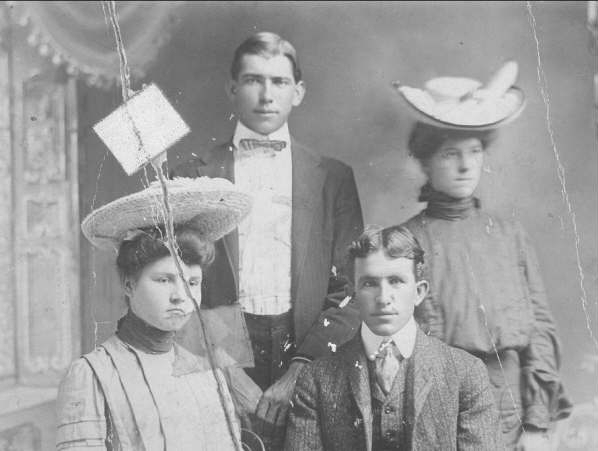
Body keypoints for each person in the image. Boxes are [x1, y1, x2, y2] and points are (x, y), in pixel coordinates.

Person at [170, 31, 363, 447]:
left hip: (309, 349)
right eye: (253, 80)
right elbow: (176, 283)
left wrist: (301, 369)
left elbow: (350, 289)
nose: (266, 94)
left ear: (299, 91)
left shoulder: (333, 178)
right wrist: (224, 369)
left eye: (279, 81)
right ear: (232, 88)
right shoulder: (192, 174)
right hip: (217, 354)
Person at [395, 68, 573, 449]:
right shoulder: (406, 241)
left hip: (512, 415)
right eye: (450, 154)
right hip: (438, 413)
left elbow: (540, 331)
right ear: (426, 162)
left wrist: (536, 423)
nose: (466, 165)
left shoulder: (510, 235)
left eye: (474, 151)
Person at [56, 177, 253, 450]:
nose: (181, 295)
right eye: (164, 280)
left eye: (192, 282)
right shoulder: (92, 375)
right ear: (129, 284)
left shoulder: (207, 365)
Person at [285, 225, 502, 451]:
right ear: (354, 294)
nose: (383, 298)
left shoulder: (465, 373)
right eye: (369, 283)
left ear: (419, 292)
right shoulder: (316, 379)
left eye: (396, 281)